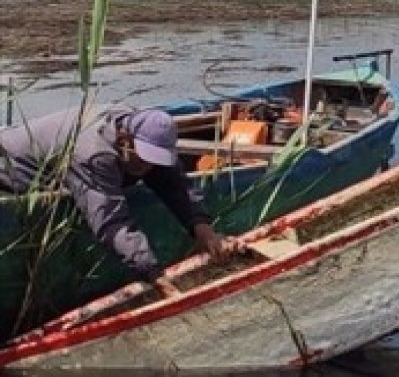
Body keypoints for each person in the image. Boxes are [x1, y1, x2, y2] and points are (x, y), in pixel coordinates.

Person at [0, 105, 244, 298]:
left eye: (155, 160)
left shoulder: (145, 137)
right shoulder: (93, 154)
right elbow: (111, 222)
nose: (147, 166)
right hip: (10, 173)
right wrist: (156, 276)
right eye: (143, 158)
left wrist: (205, 232)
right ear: (125, 139)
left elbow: (175, 185)